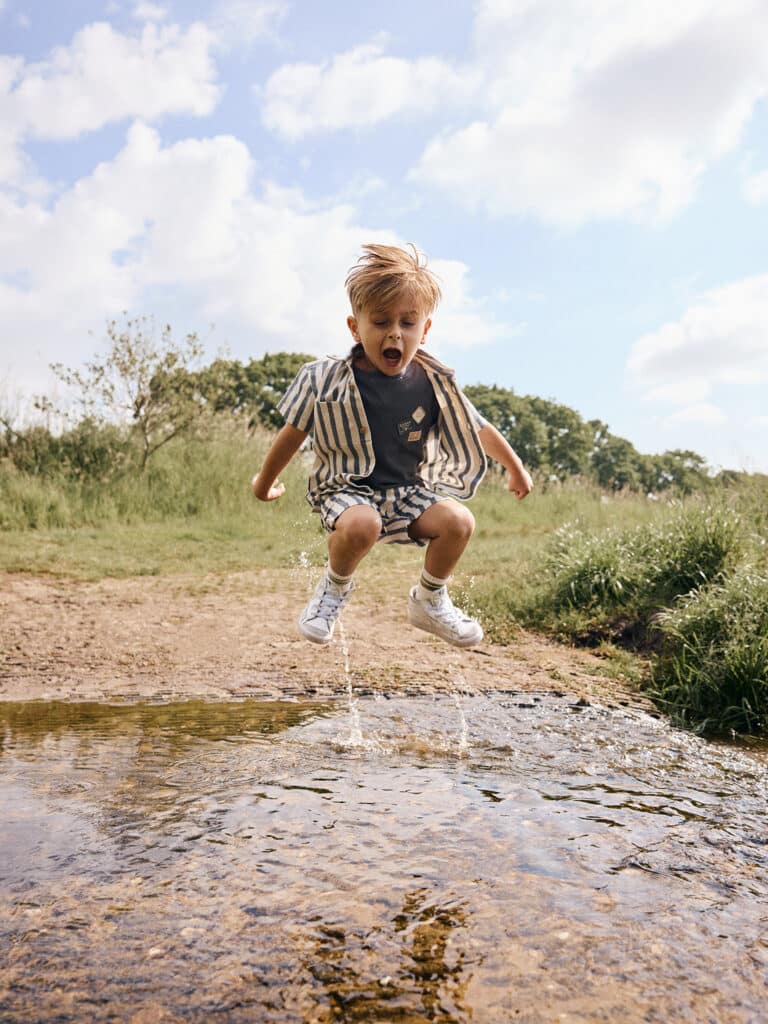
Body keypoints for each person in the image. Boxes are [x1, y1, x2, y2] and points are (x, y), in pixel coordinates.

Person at [252, 243, 532, 648]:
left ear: (425, 329)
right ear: (355, 327)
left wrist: (515, 467)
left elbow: (478, 427)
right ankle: (333, 588)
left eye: (407, 322)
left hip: (406, 493)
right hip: (346, 490)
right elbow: (293, 433)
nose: (394, 334)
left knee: (459, 522)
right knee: (365, 524)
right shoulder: (324, 379)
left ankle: (430, 599)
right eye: (380, 322)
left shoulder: (434, 382)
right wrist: (264, 482)